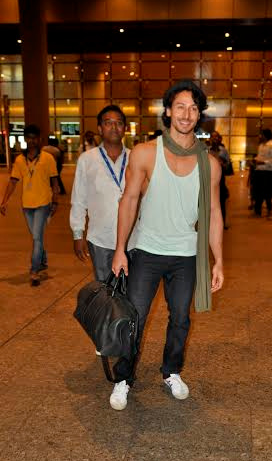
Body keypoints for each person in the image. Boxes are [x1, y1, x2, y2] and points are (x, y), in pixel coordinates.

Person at [110, 80, 224, 411]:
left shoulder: (210, 164)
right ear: (168, 111)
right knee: (135, 318)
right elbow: (128, 200)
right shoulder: (146, 152)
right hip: (147, 251)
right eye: (180, 106)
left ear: (199, 114)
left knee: (180, 320)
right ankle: (123, 377)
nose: (187, 114)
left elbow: (214, 213)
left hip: (186, 255)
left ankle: (171, 371)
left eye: (193, 108)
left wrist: (218, 261)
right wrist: (120, 248)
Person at [70, 105, 129, 282]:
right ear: (100, 128)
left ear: (125, 128)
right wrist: (77, 234)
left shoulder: (135, 158)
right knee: (106, 293)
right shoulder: (87, 160)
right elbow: (79, 200)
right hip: (100, 240)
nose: (114, 127)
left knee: (132, 294)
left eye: (119, 123)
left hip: (133, 240)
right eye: (108, 123)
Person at [0, 124, 58, 286]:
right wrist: (4, 201)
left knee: (37, 238)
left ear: (39, 139)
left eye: (35, 137)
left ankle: (34, 271)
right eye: (29, 137)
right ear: (25, 139)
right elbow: (12, 182)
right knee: (36, 237)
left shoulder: (48, 159)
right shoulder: (19, 160)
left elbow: (54, 181)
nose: (32, 141)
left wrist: (55, 201)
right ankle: (43, 259)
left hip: (43, 203)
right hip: (27, 205)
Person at [253, 129, 272, 217]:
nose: (259, 136)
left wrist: (262, 162)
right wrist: (255, 161)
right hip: (259, 171)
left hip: (269, 173)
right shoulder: (260, 146)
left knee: (267, 193)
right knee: (257, 192)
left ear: (265, 136)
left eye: (261, 135)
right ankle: (257, 211)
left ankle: (269, 208)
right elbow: (259, 157)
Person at [210, 142, 229, 229]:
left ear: (219, 139)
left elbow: (227, 164)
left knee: (221, 202)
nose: (215, 139)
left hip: (220, 179)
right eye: (213, 136)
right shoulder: (206, 149)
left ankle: (222, 223)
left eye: (216, 137)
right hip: (208, 179)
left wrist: (222, 164)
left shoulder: (223, 151)